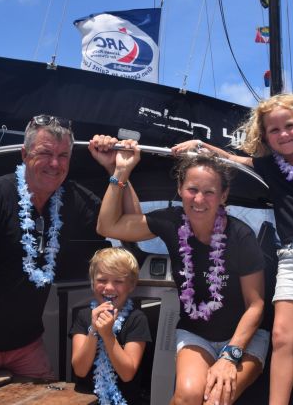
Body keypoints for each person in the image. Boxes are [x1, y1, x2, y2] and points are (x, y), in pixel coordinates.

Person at [172, 93, 293, 405]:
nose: (283, 134)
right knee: (281, 336)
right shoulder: (270, 165)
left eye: (289, 125)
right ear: (265, 137)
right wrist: (200, 146)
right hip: (288, 253)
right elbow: (233, 160)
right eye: (274, 130)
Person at [0, 116, 139, 392]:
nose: (55, 164)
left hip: (26, 345)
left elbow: (131, 226)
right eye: (45, 153)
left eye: (62, 155)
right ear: (24, 154)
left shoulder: (73, 199)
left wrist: (117, 169)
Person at [97, 148, 268, 405]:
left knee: (216, 400)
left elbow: (256, 306)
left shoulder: (240, 237)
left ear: (223, 196)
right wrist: (120, 171)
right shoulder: (171, 222)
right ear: (180, 189)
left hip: (245, 338)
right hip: (196, 333)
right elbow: (107, 226)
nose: (199, 199)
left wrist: (230, 356)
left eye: (209, 192)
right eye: (192, 189)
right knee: (187, 396)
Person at [70, 247, 152, 404]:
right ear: (93, 282)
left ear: (131, 285)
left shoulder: (137, 319)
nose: (109, 287)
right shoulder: (83, 316)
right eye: (101, 280)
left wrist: (107, 335)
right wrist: (94, 329)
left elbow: (127, 373)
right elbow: (80, 370)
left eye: (118, 281)